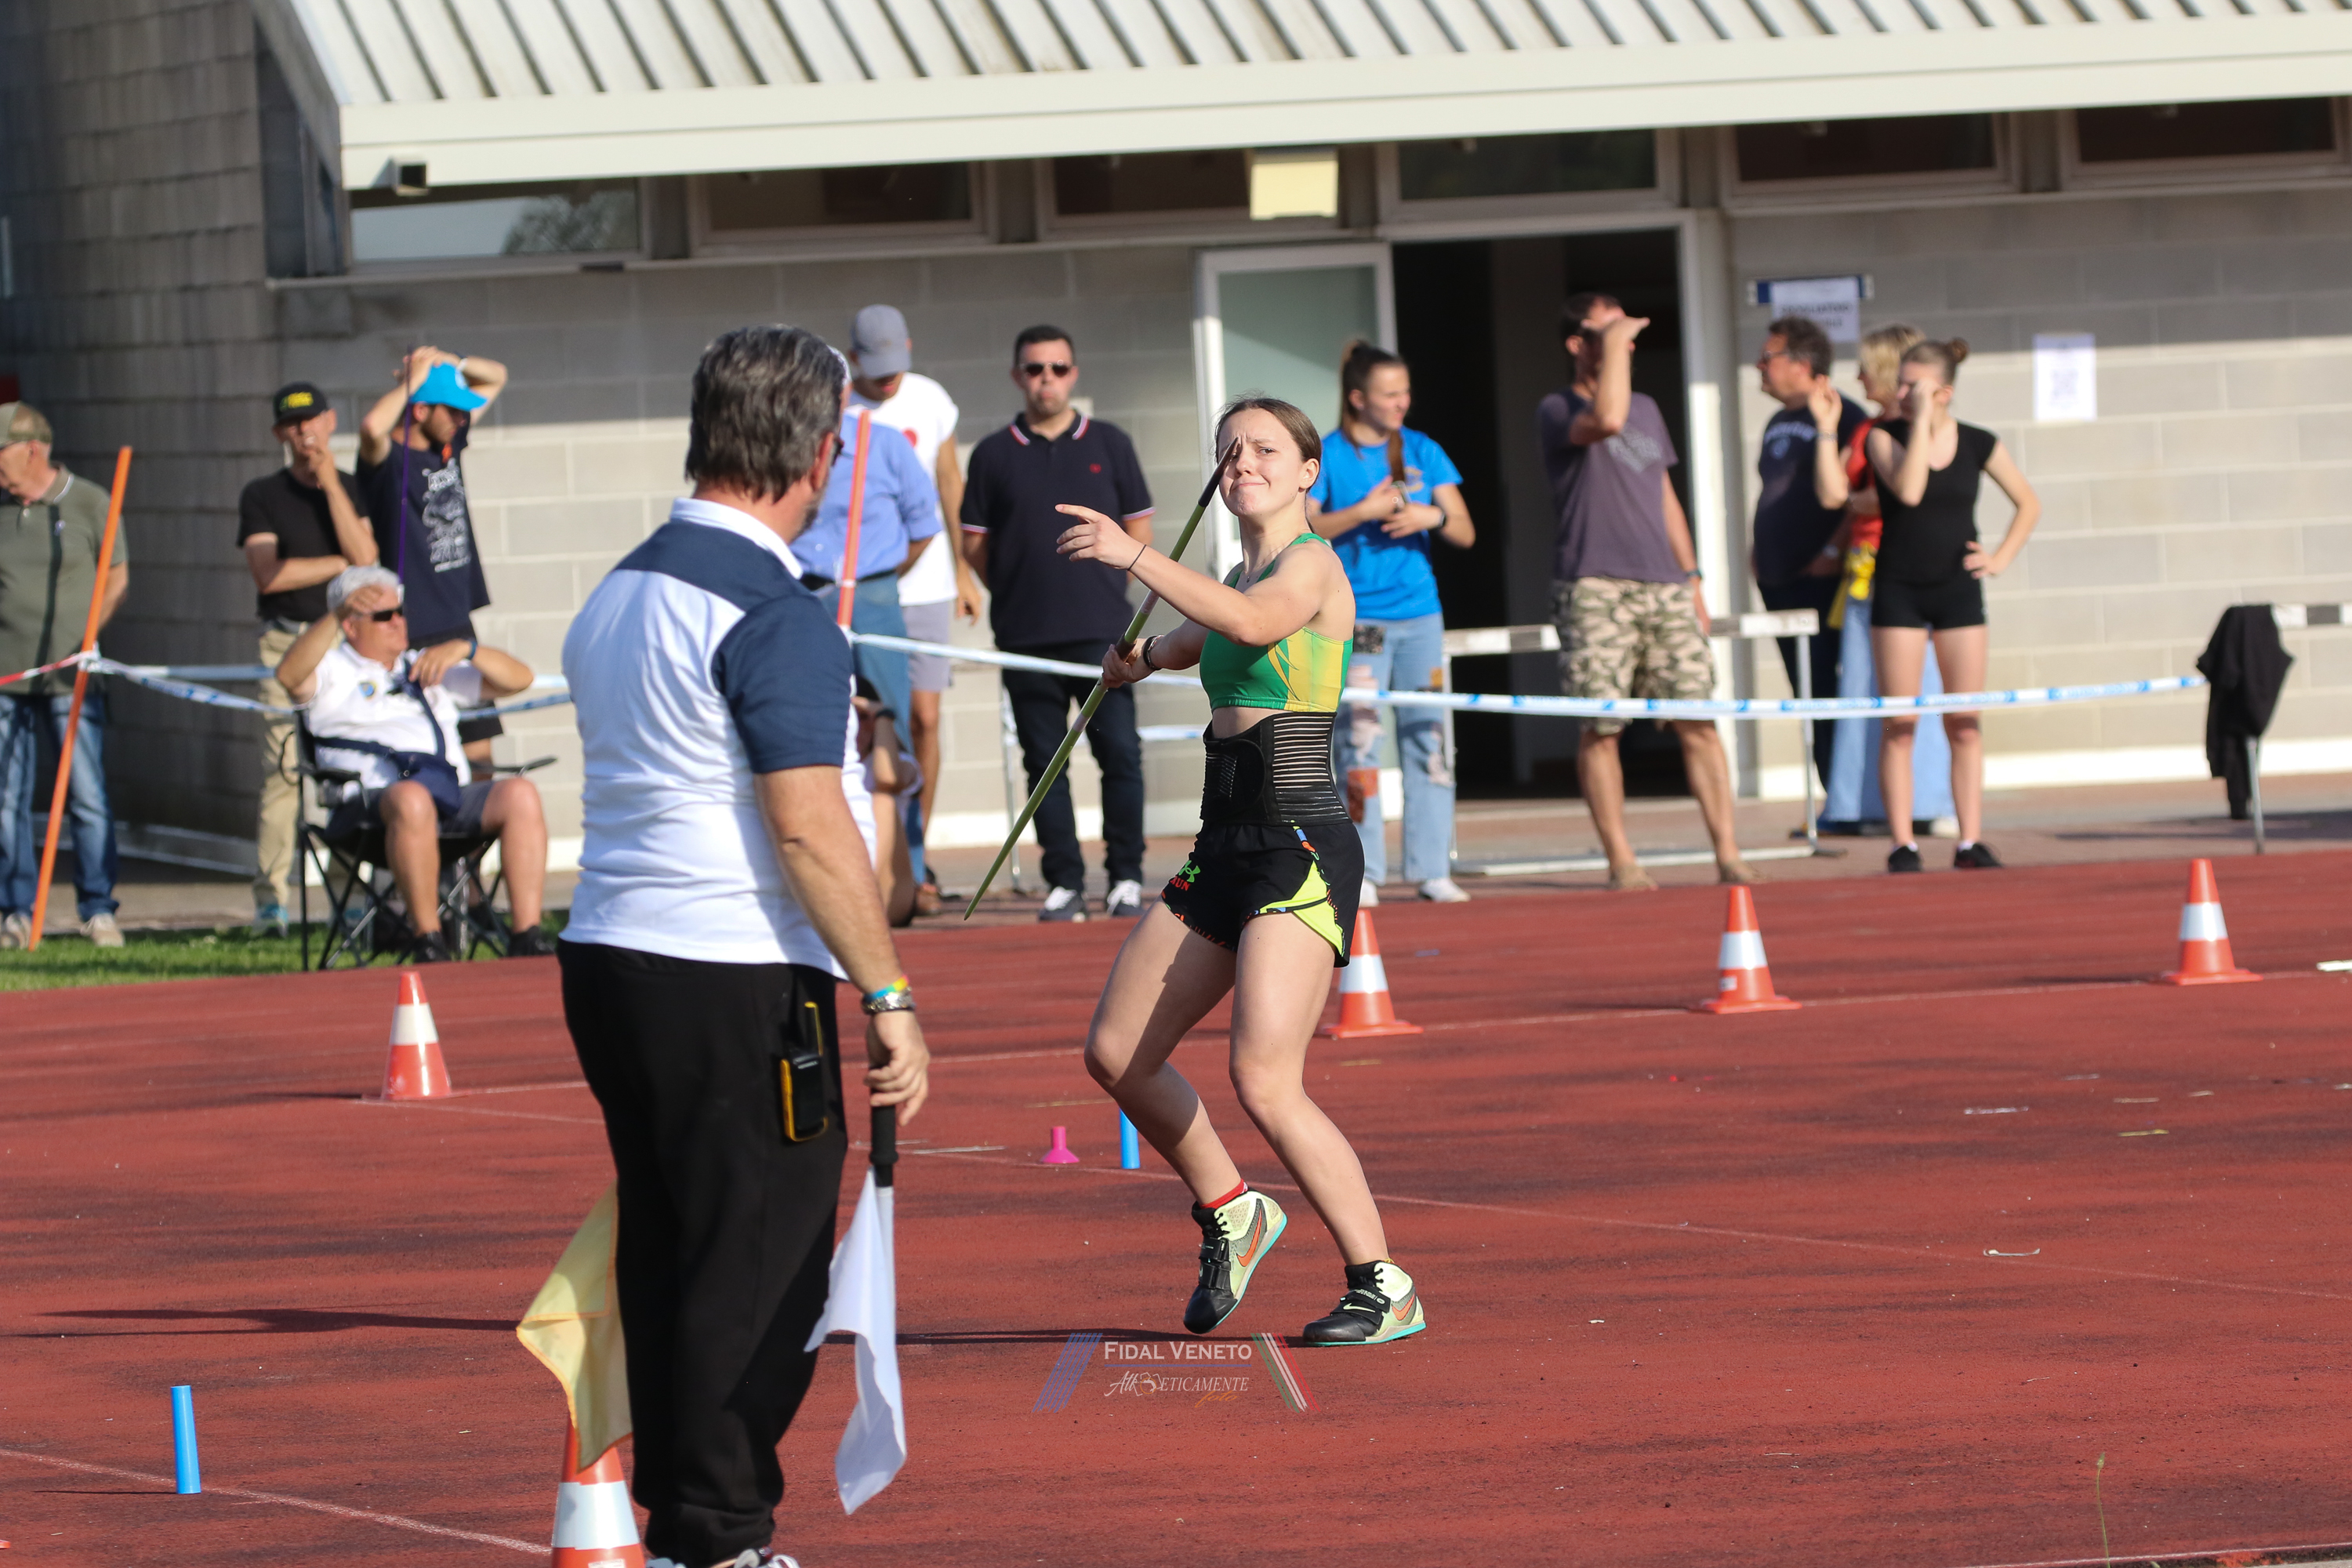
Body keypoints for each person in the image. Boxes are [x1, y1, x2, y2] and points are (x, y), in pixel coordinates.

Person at [557, 325, 930, 1568]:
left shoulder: (620, 589)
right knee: (760, 1263)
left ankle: (688, 1522)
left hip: (612, 952)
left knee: (672, 1246)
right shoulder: (775, 611)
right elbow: (809, 824)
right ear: (818, 456)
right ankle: (718, 1534)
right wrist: (888, 991)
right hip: (730, 965)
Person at [1066, 395, 1427, 1348]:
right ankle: (1233, 1207)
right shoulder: (1236, 571)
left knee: (1264, 1075)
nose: (1243, 463)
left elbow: (1254, 622)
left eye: (1265, 449)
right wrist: (1139, 658)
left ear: (1308, 472)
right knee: (1116, 1053)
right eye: (1230, 452)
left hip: (1297, 842)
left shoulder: (1309, 567)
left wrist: (1135, 555)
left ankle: (1383, 1282)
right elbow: (1204, 634)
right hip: (1223, 841)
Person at [1539, 296, 1751, 891]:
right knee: (1602, 725)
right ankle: (1622, 860)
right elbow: (1606, 419)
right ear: (1578, 343)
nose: (1627, 339)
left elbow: (1664, 496)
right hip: (1594, 584)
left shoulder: (1649, 408)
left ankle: (1729, 853)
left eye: (1628, 332)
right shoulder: (1557, 408)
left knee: (1698, 718)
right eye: (1610, 330)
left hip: (1664, 583)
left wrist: (1692, 578)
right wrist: (1613, 348)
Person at [960, 325, 1154, 922]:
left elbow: (1139, 533)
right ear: (1017, 376)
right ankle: (1065, 883)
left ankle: (1125, 877)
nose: (1047, 379)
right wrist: (1017, 590)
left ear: (1074, 374)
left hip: (1105, 635)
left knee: (1120, 755)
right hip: (1026, 638)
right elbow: (974, 546)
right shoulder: (991, 454)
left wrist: (1104, 588)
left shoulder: (1112, 443)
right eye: (1035, 369)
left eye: (1058, 368)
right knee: (1045, 765)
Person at [274, 565, 551, 963]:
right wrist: (334, 615)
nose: (398, 622)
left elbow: (519, 680)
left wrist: (467, 649)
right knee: (411, 798)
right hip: (368, 811)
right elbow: (288, 675)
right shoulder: (332, 669)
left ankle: (527, 936)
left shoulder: (423, 666)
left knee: (519, 793)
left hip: (445, 799)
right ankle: (428, 938)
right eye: (384, 615)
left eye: (401, 611)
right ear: (351, 626)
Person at [1307, 341, 1475, 907]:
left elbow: (1465, 531)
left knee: (1430, 739)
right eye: (1390, 393)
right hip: (1359, 621)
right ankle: (1367, 871)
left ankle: (1432, 868)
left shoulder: (1423, 449)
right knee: (1358, 744)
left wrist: (1432, 515)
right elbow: (1305, 530)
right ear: (1358, 398)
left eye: (1405, 391)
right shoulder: (1328, 454)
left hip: (1421, 618)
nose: (1403, 402)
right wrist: (1365, 512)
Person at [1863, 338, 2040, 873]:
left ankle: (1970, 840)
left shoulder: (1979, 442)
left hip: (1957, 590)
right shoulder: (1883, 437)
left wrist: (1999, 558)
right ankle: (1903, 843)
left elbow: (2028, 502)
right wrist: (1918, 421)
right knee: (1900, 723)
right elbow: (1910, 491)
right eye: (1900, 384)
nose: (1901, 392)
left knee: (1964, 721)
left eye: (1912, 385)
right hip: (1899, 588)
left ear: (1943, 391)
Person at [845, 304, 982, 913]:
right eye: (874, 369)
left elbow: (950, 482)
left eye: (894, 365)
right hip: (859, 592)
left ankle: (914, 858)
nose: (887, 380)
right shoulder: (838, 407)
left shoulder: (929, 398)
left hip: (924, 585)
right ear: (853, 359)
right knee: (865, 724)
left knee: (922, 719)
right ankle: (877, 861)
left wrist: (962, 570)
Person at [238, 382, 379, 935]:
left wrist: (330, 484)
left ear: (330, 421)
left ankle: (347, 897)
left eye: (312, 420)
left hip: (343, 649)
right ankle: (270, 902)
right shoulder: (262, 495)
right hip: (285, 643)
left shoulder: (349, 486)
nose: (304, 433)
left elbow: (367, 561)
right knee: (281, 773)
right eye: (293, 425)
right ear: (280, 433)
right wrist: (338, 566)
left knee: (343, 771)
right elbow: (271, 575)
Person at [1807, 323, 1955, 835]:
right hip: (1868, 571)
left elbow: (1911, 495)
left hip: (1916, 573)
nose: (1860, 378)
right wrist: (1826, 428)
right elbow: (1834, 493)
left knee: (1922, 695)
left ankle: (1928, 803)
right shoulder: (1867, 432)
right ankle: (1861, 803)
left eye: (1868, 368)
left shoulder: (1932, 432)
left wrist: (1867, 501)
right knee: (1864, 688)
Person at [0, 401, 128, 949]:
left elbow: (116, 576)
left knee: (86, 792)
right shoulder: (3, 512)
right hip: (7, 679)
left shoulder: (89, 502)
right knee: (7, 797)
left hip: (71, 678)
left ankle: (97, 908)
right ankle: (15, 910)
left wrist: (88, 637)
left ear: (32, 449)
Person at [355, 347, 509, 777]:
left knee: (480, 757)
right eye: (452, 410)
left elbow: (496, 375)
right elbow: (371, 427)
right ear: (420, 411)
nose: (462, 419)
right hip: (412, 629)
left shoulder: (448, 443)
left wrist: (448, 360)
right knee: (424, 756)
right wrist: (412, 381)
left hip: (456, 623)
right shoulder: (388, 460)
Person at [792, 368, 942, 735]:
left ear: (845, 392)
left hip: (873, 598)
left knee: (888, 715)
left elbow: (924, 524)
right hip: (802, 594)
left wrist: (879, 577)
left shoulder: (884, 443)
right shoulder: (783, 447)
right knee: (809, 713)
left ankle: (898, 775)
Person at [1751, 316, 1863, 792]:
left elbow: (1855, 495)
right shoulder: (1778, 421)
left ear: (1801, 363)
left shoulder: (1844, 416)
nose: (1759, 366)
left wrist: (1834, 548)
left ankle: (1847, 799)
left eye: (1768, 358)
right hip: (1778, 577)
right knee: (1805, 689)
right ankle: (1830, 799)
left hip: (1821, 578)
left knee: (1828, 686)